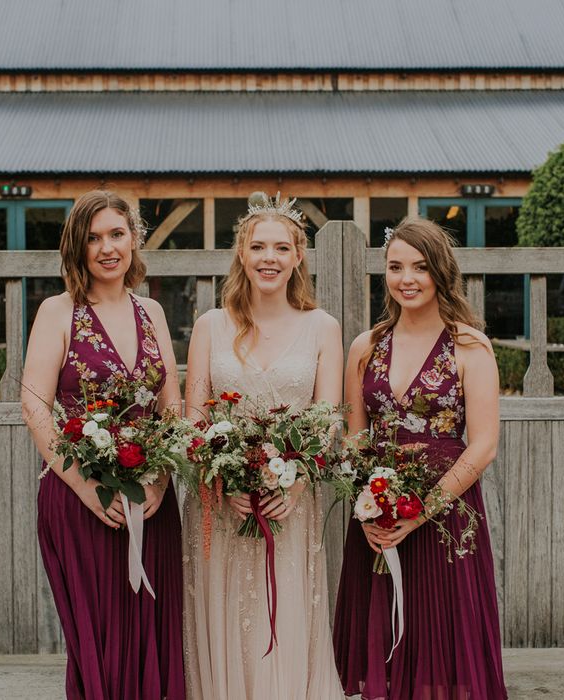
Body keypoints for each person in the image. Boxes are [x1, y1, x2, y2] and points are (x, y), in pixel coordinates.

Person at [21, 190, 185, 700]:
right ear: (77, 246)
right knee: (99, 640)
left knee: (149, 637)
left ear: (134, 239)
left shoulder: (152, 310)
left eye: (117, 234)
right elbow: (34, 406)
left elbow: (171, 408)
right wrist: (89, 487)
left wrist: (159, 480)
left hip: (152, 503)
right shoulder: (58, 311)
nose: (107, 248)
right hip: (79, 499)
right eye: (93, 238)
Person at [334, 218, 507, 699]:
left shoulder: (470, 345)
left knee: (442, 641)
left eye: (420, 267)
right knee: (385, 646)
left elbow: (484, 443)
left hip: (446, 513)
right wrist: (366, 503)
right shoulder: (365, 346)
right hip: (376, 513)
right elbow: (355, 436)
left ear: (440, 273)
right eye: (395, 267)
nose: (406, 278)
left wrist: (421, 511)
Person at [182, 193, 345, 700]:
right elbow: (193, 420)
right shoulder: (210, 326)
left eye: (281, 247)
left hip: (289, 506)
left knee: (286, 612)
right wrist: (219, 478)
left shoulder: (323, 328)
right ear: (242, 254)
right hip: (219, 505)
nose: (268, 258)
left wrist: (295, 487)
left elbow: (328, 422)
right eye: (258, 247)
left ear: (298, 257)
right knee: (225, 611)